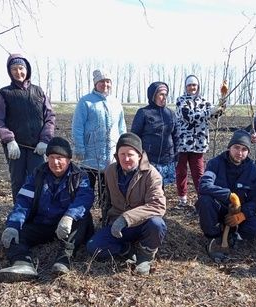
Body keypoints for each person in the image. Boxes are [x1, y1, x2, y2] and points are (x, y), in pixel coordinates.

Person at [0, 137, 95, 281]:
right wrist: (13, 225)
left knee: (84, 218)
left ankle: (63, 259)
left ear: (68, 159)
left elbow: (84, 199)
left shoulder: (79, 176)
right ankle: (23, 264)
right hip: (41, 222)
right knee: (14, 235)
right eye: (52, 157)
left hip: (66, 225)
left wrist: (69, 217)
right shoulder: (37, 175)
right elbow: (23, 201)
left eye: (60, 158)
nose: (55, 162)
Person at [86, 133, 166, 276]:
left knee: (157, 224)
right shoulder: (110, 171)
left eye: (130, 154)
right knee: (93, 247)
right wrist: (108, 221)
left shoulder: (151, 174)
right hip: (117, 224)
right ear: (117, 156)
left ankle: (145, 255)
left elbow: (157, 205)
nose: (126, 158)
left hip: (142, 223)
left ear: (140, 155)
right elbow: (107, 200)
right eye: (122, 154)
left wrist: (125, 218)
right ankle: (126, 249)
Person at [0, 54, 56, 202]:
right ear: (9, 71)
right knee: (18, 183)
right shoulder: (5, 93)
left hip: (37, 148)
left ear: (27, 70)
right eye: (14, 69)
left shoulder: (39, 92)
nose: (18, 72)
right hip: (16, 149)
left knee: (39, 181)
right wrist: (9, 139)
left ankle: (38, 217)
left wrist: (45, 140)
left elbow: (50, 118)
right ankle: (20, 217)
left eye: (21, 68)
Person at [197, 130, 256, 262]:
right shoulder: (215, 163)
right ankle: (214, 236)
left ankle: (234, 235)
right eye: (236, 147)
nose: (239, 153)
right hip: (218, 209)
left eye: (244, 149)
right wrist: (229, 195)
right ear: (229, 147)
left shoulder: (253, 169)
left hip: (238, 213)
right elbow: (204, 186)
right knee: (204, 201)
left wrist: (243, 215)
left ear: (248, 152)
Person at [72, 69, 127, 200]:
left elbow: (122, 128)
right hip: (89, 156)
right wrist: (79, 148)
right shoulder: (85, 102)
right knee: (86, 190)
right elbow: (77, 126)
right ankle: (84, 216)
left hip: (111, 158)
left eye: (108, 81)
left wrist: (122, 149)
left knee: (109, 191)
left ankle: (106, 216)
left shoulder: (116, 103)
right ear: (95, 83)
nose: (105, 84)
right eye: (101, 81)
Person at [174, 74, 225, 208]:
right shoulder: (181, 101)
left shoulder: (204, 101)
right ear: (186, 87)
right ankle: (182, 198)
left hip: (199, 143)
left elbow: (216, 114)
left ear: (198, 86)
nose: (192, 87)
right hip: (183, 143)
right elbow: (188, 117)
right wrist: (209, 112)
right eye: (189, 85)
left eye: (194, 85)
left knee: (199, 173)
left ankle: (202, 198)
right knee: (181, 172)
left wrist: (222, 101)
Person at [130, 81, 178, 186]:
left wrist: (176, 155)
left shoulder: (170, 114)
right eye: (161, 94)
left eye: (166, 95)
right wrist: (138, 155)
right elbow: (134, 136)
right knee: (149, 186)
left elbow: (176, 136)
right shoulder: (143, 113)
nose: (164, 97)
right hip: (149, 159)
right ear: (153, 96)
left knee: (162, 188)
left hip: (167, 159)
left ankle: (161, 202)